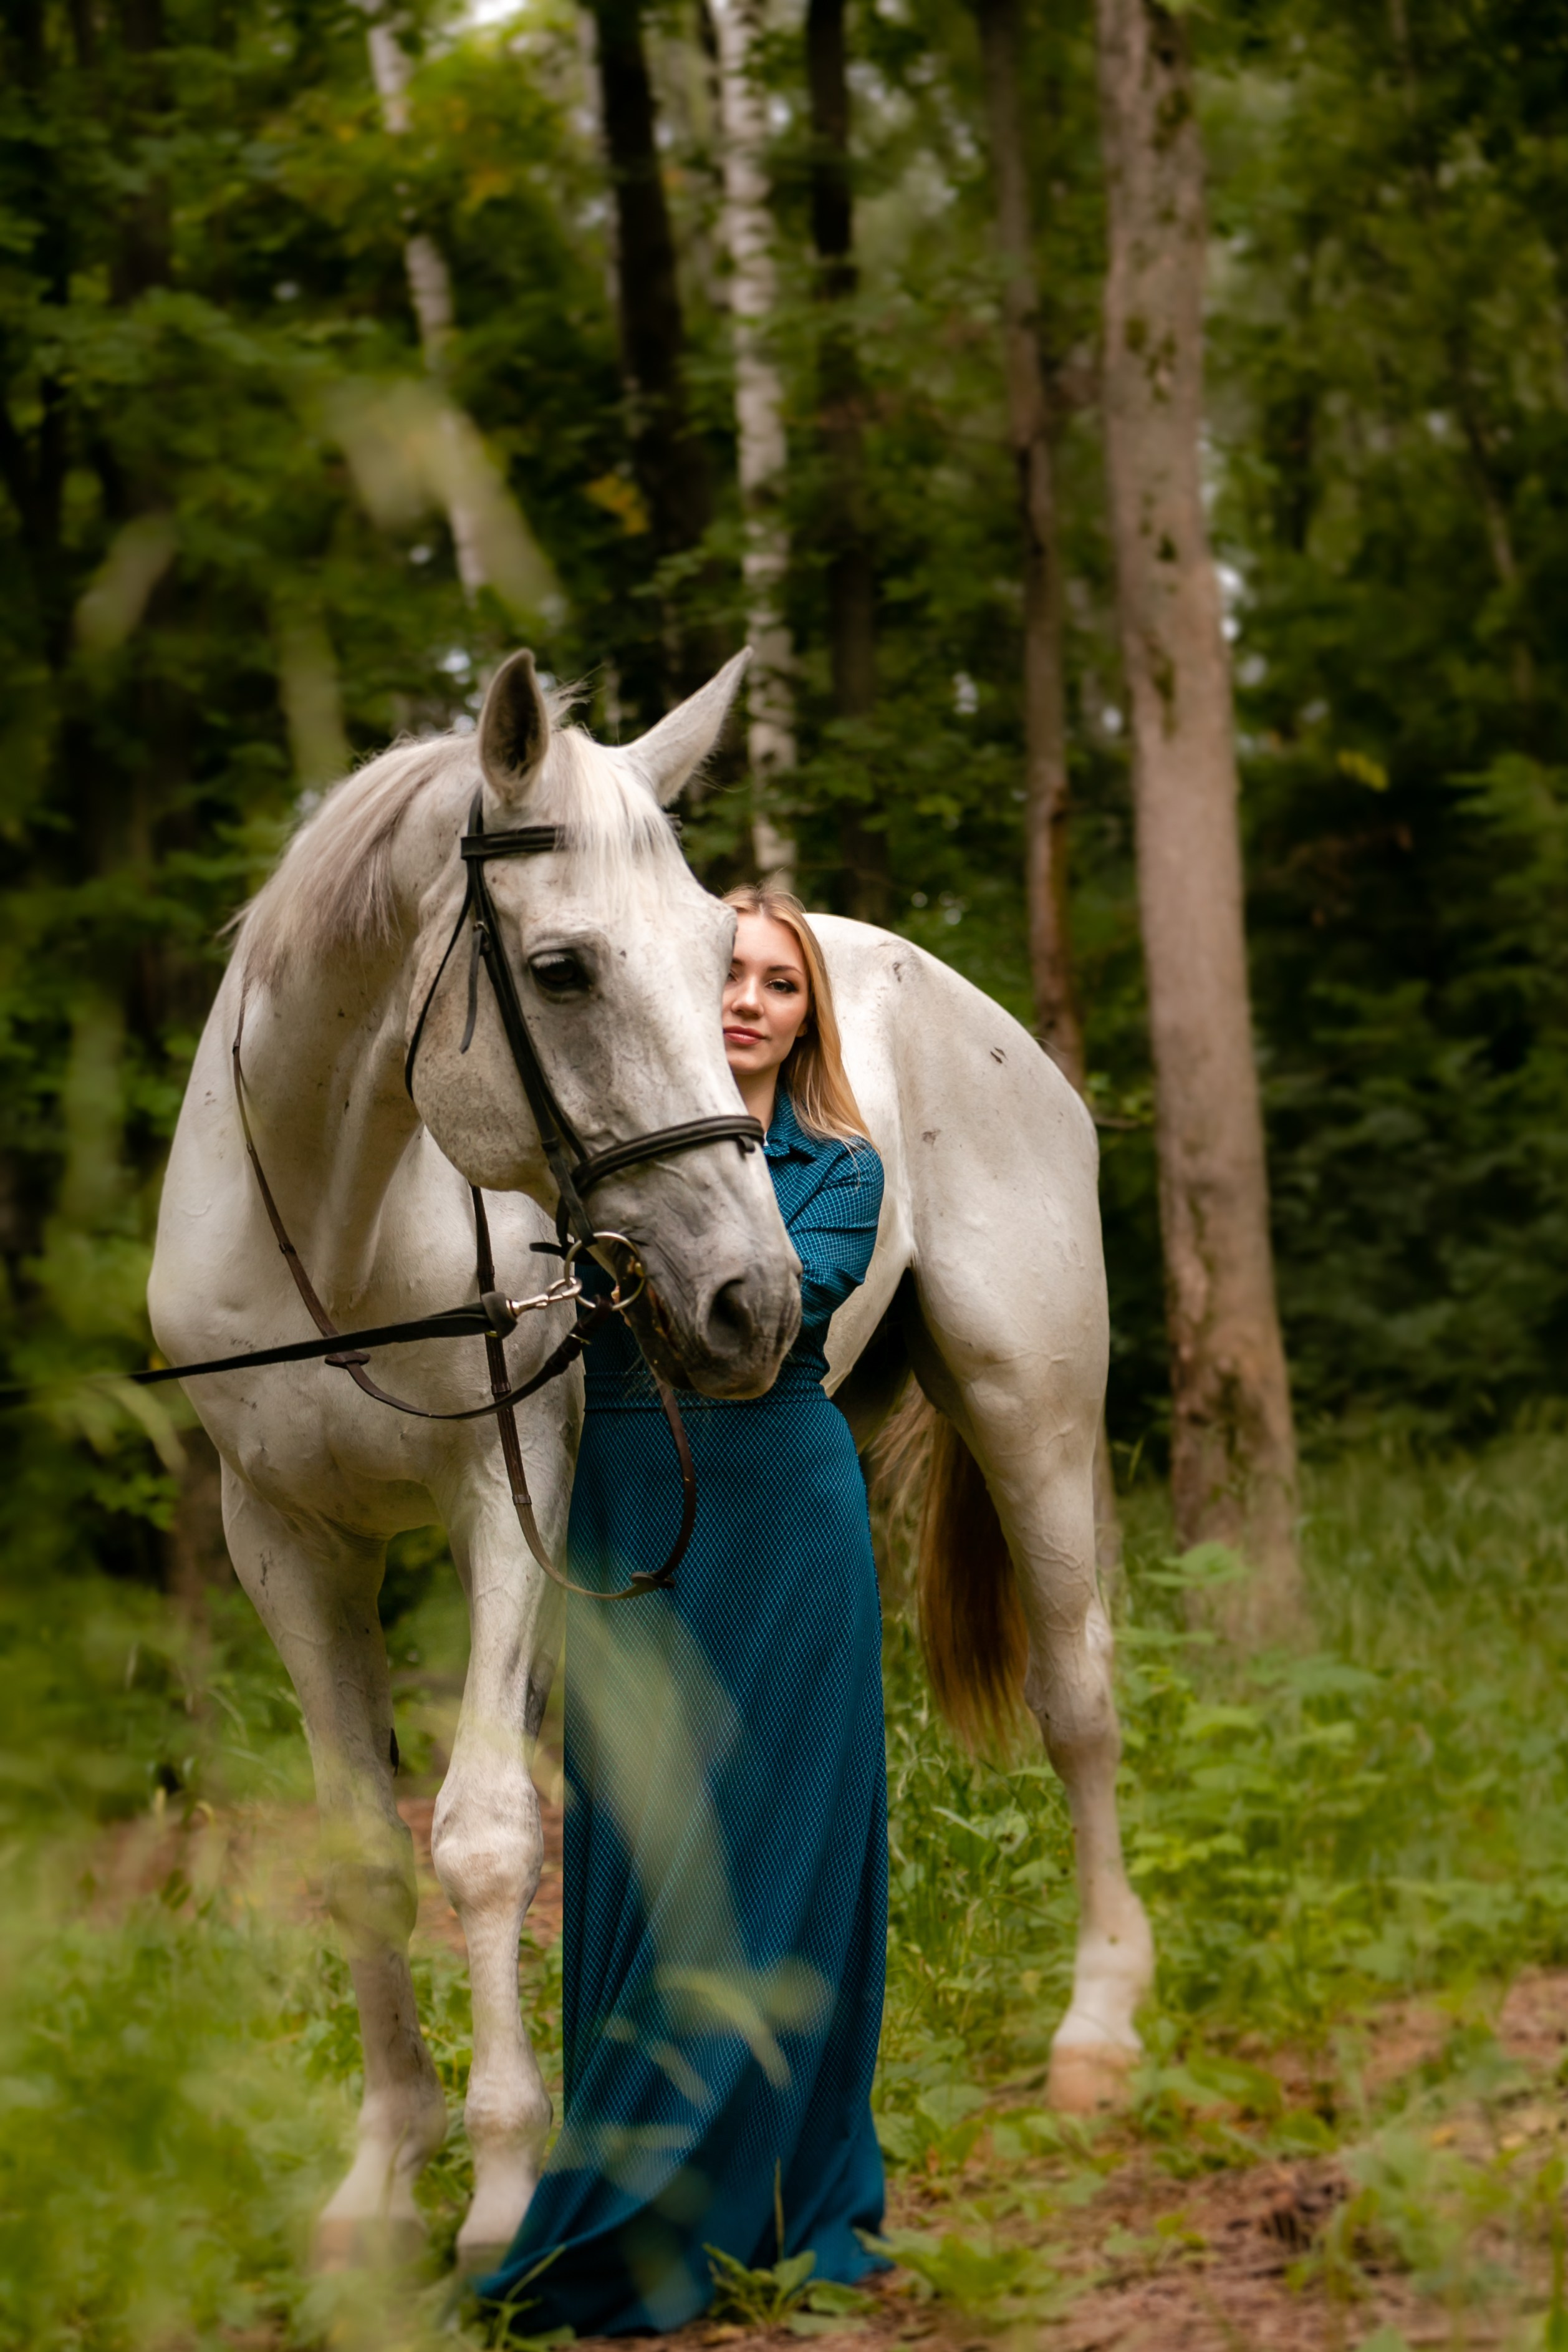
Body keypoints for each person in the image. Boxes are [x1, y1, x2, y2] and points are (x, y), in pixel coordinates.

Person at [481, 887, 888, 2337]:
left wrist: (639, 1232)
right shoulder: (587, 1164)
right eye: (727, 971)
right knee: (645, 1826)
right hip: (635, 1503)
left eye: (781, 983)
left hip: (780, 1507)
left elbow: (774, 1295)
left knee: (789, 1829)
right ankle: (637, 2177)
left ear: (806, 1016)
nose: (748, 999)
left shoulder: (841, 1166)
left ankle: (780, 2191)